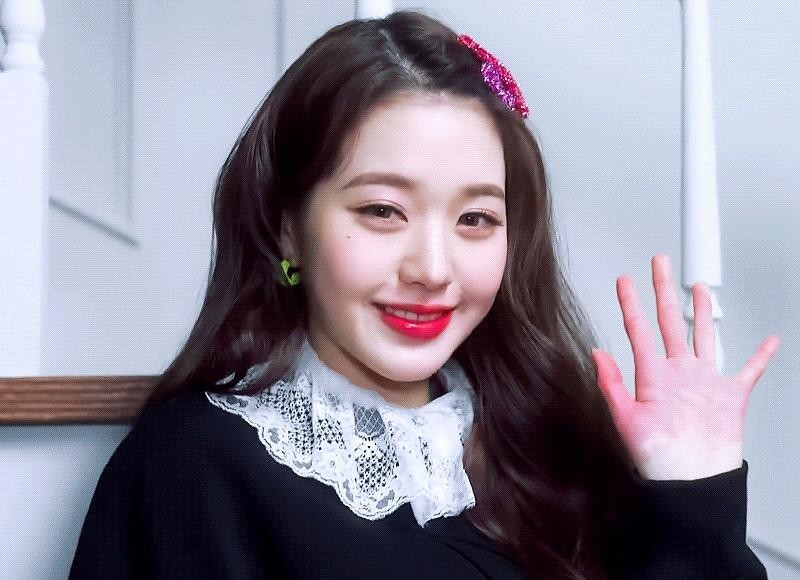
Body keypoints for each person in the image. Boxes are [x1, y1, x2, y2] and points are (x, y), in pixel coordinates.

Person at [68, 9, 780, 579]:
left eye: (476, 219)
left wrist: (694, 492)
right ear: (288, 229)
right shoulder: (193, 465)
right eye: (383, 210)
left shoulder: (555, 441)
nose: (433, 269)